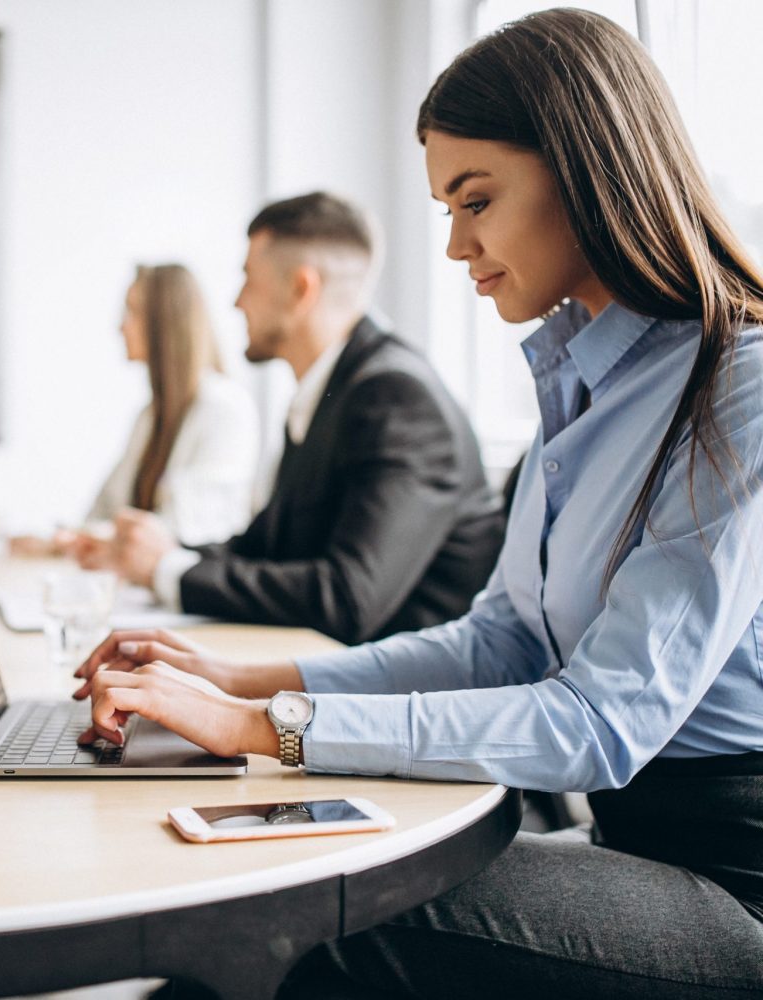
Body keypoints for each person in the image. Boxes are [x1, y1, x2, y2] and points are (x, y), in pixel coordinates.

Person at [75, 9, 763, 996]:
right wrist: (234, 675)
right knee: (260, 886)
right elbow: (498, 645)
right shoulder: (587, 385)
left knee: (300, 914)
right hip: (630, 843)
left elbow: (599, 725)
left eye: (475, 200)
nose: (454, 245)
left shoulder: (737, 385)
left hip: (729, 884)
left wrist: (261, 724)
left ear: (585, 168)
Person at [108, 193, 503, 645]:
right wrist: (161, 551)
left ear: (301, 290)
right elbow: (265, 548)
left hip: (409, 696)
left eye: (248, 280)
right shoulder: (331, 389)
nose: (237, 303)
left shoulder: (398, 399)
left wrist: (167, 570)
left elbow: (349, 598)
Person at [64, 263, 259, 561]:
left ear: (165, 322)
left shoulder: (225, 408)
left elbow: (183, 529)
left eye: (132, 312)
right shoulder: (150, 416)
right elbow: (104, 510)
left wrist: (92, 537)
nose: (120, 326)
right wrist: (64, 539)